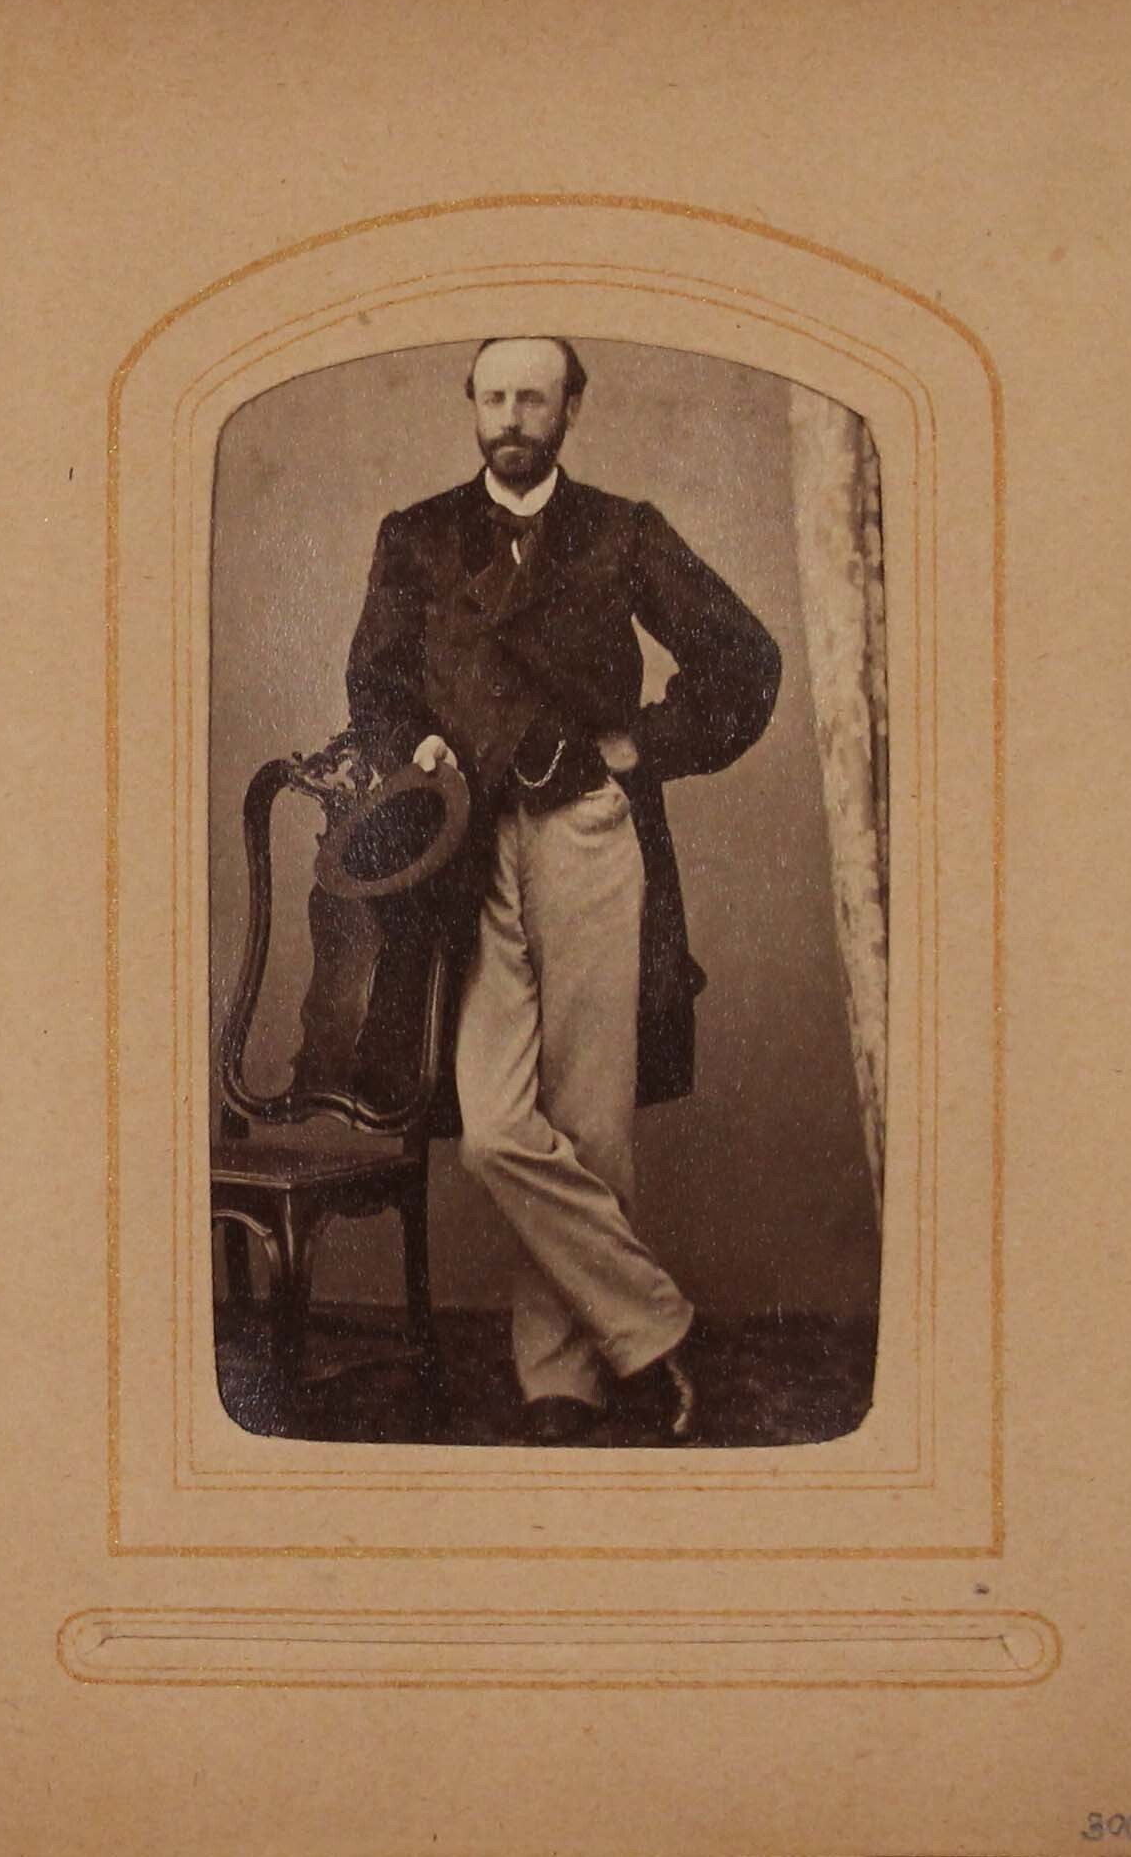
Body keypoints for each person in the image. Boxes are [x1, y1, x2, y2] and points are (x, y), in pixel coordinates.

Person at [346, 337, 781, 1444]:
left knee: (590, 1119)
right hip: (469, 849)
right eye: (494, 396)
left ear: (571, 410)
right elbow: (376, 684)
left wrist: (645, 744)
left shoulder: (623, 530)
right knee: (497, 1129)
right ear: (472, 406)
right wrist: (415, 746)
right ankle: (657, 1325)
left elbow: (745, 660)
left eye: (534, 398)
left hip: (590, 833)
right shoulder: (416, 535)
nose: (511, 416)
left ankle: (562, 1378)